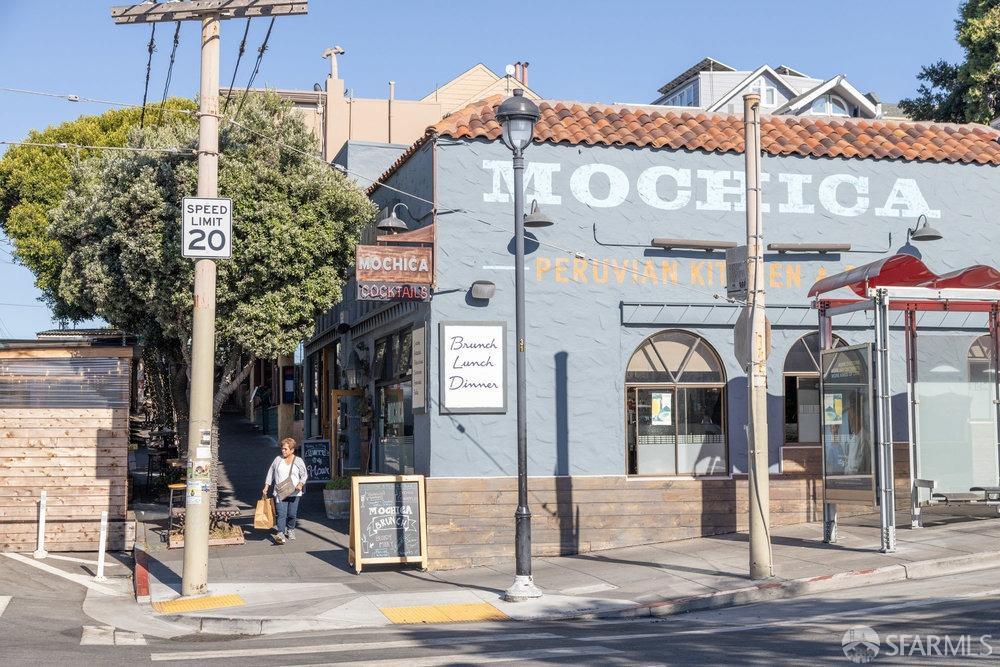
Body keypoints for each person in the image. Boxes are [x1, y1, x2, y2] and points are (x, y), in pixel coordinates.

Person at [262, 437, 308, 544]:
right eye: (282, 449)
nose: (283, 451)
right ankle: (280, 533)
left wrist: (300, 484)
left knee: (292, 514)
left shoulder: (298, 461)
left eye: (286, 449)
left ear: (292, 450)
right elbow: (271, 473)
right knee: (281, 514)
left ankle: (290, 529)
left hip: (294, 492)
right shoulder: (278, 460)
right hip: (280, 492)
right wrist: (266, 486)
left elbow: (304, 474)